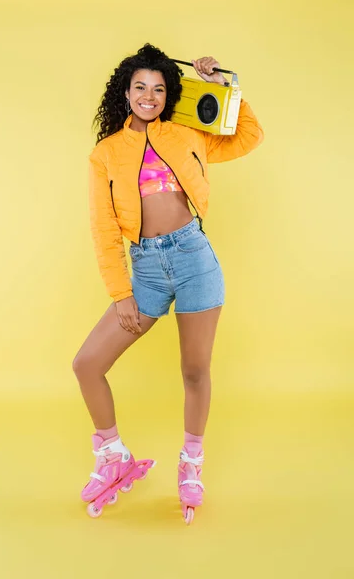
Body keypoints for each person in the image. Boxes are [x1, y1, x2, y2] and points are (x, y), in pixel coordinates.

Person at [73, 43, 264, 522]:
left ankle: (191, 464)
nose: (149, 96)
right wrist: (121, 294)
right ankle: (112, 454)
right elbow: (102, 227)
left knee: (195, 370)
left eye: (159, 89)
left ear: (168, 94)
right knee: (87, 364)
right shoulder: (106, 154)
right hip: (146, 271)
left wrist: (223, 85)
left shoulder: (185, 134)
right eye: (140, 87)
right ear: (126, 92)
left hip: (195, 258)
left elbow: (248, 136)